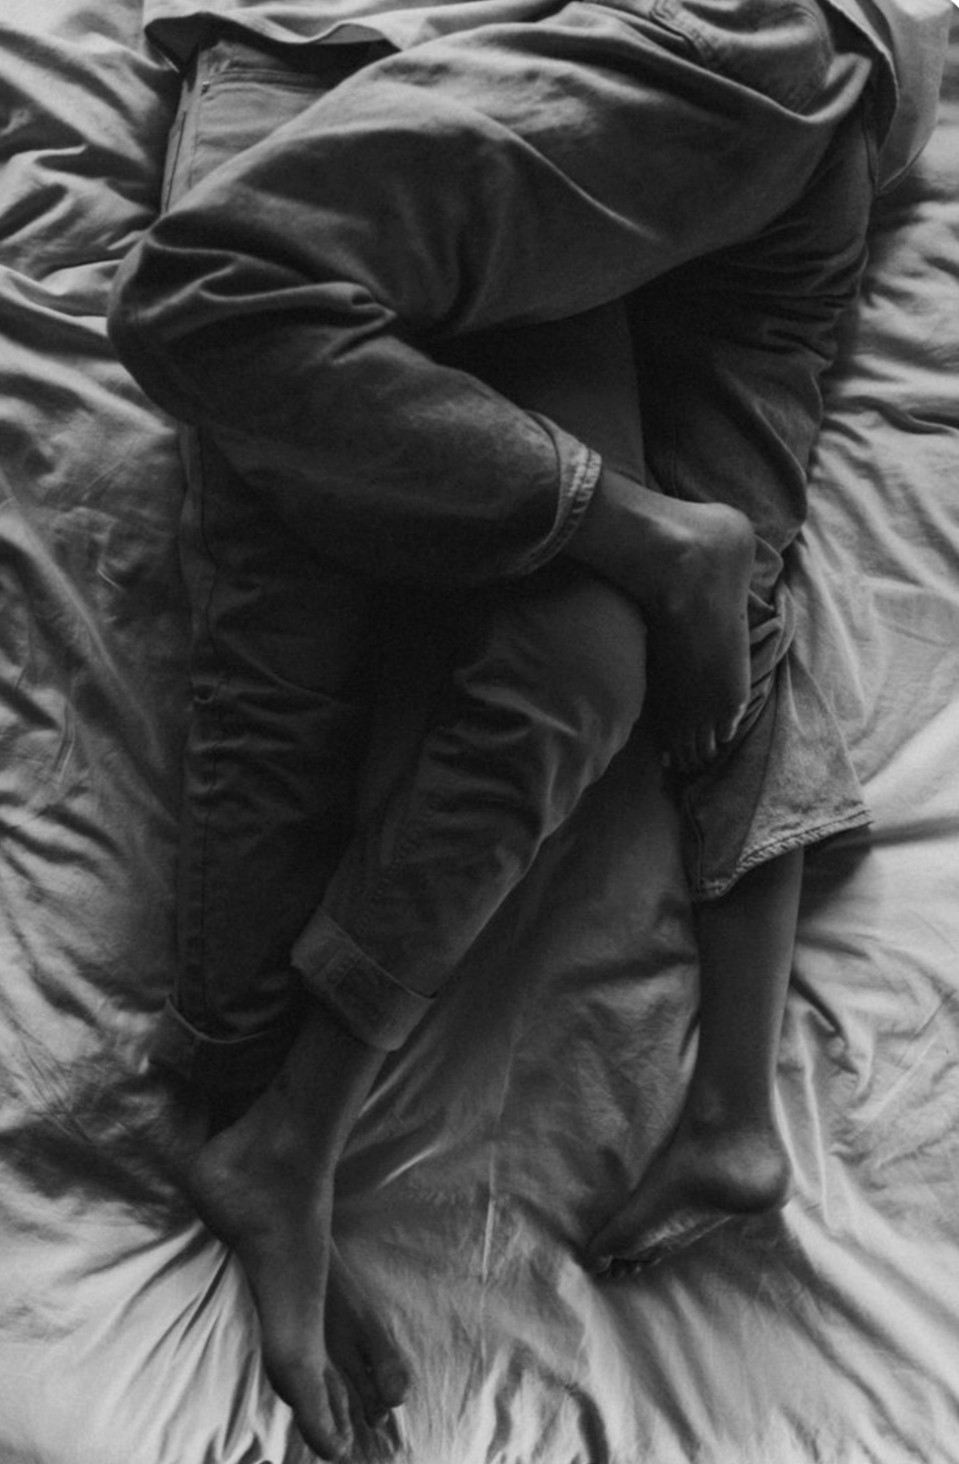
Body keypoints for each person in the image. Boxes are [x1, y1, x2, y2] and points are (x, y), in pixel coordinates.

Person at [109, 1, 950, 1457]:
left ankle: (280, 1133)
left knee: (595, 637)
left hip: (696, 75)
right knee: (456, 636)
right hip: (318, 66)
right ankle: (270, 1128)